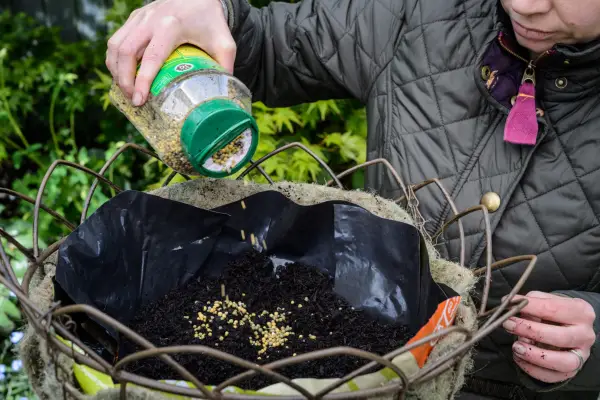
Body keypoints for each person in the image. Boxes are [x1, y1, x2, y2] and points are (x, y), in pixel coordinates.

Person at [106, 0, 600, 398]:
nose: (527, 6)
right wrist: (214, 16)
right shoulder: (425, 13)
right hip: (366, 374)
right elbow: (269, 46)